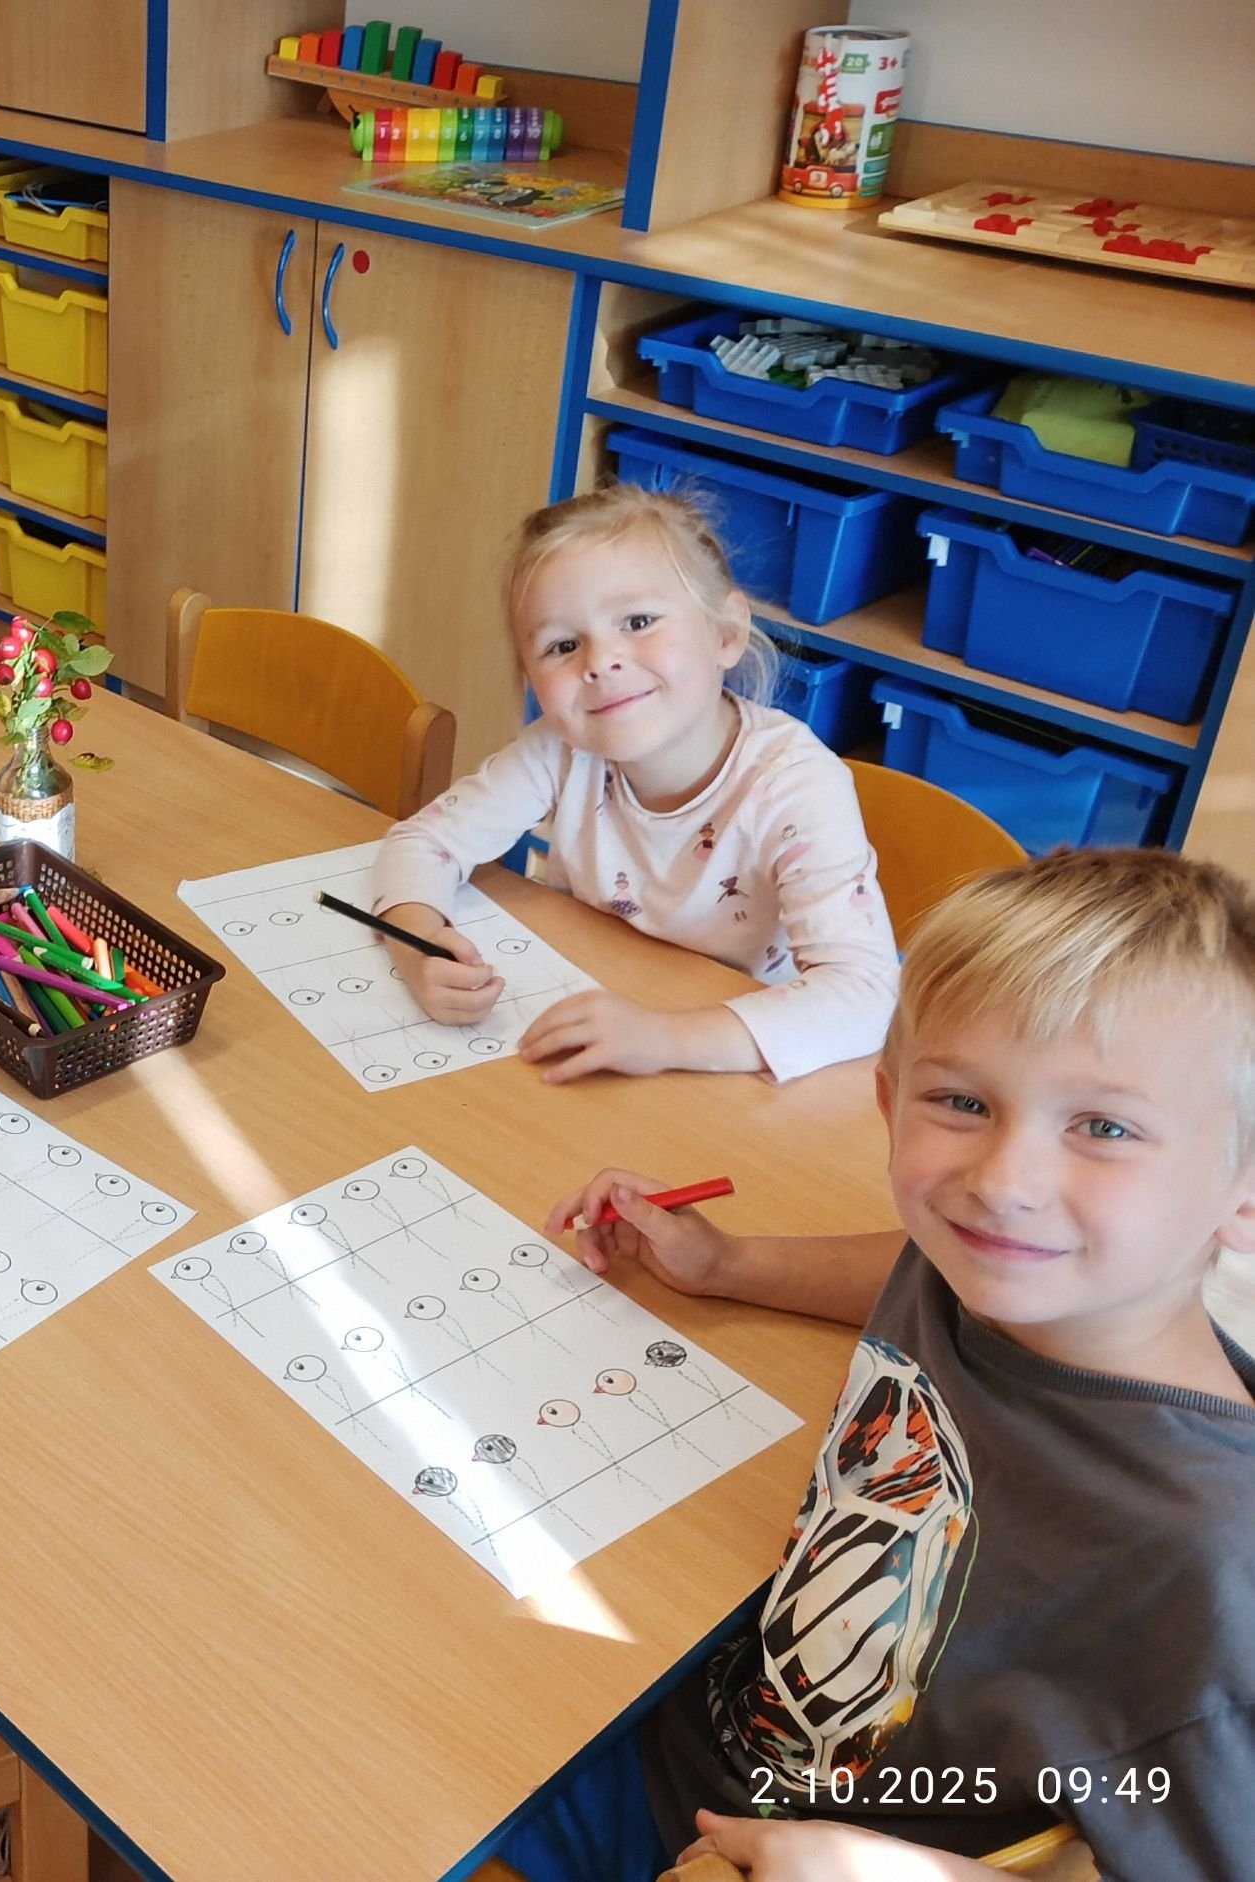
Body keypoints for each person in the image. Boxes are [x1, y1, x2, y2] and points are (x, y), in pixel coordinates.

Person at [518, 847, 1255, 1879]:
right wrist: (729, 1265)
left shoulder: (1210, 1562)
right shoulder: (993, 1266)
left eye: (1103, 1126)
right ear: (888, 1098)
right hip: (688, 1723)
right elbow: (907, 1262)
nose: (1000, 1182)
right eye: (962, 1102)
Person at [371, 483, 897, 1083]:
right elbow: (424, 842)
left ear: (725, 634)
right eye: (562, 645)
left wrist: (663, 1038)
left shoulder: (796, 786)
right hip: (602, 1024)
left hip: (737, 1070)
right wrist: (416, 944)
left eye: (638, 621)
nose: (599, 662)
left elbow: (864, 996)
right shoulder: (561, 748)